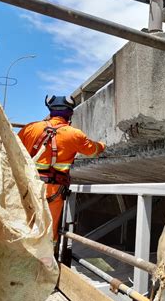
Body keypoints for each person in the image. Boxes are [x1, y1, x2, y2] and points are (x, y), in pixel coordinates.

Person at [18, 95, 105, 243]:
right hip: (53, 190)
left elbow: (13, 151)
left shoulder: (30, 129)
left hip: (28, 187)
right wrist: (102, 145)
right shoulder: (74, 134)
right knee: (48, 232)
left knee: (26, 224)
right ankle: (46, 261)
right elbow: (93, 150)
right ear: (70, 113)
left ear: (50, 111)